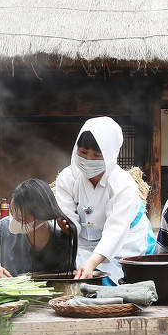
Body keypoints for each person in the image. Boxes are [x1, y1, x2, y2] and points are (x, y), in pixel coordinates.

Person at [54, 117, 155, 282]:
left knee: (116, 277)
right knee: (68, 269)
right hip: (84, 242)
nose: (88, 160)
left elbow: (116, 231)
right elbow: (69, 220)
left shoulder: (123, 184)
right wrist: (67, 227)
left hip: (126, 240)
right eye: (84, 152)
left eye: (96, 155)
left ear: (109, 155)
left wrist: (92, 263)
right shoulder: (67, 178)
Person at [0, 178, 77, 280]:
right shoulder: (2, 229)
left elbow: (68, 278)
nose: (14, 221)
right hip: (9, 295)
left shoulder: (62, 235)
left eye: (21, 218)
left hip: (46, 297)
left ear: (42, 216)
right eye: (12, 214)